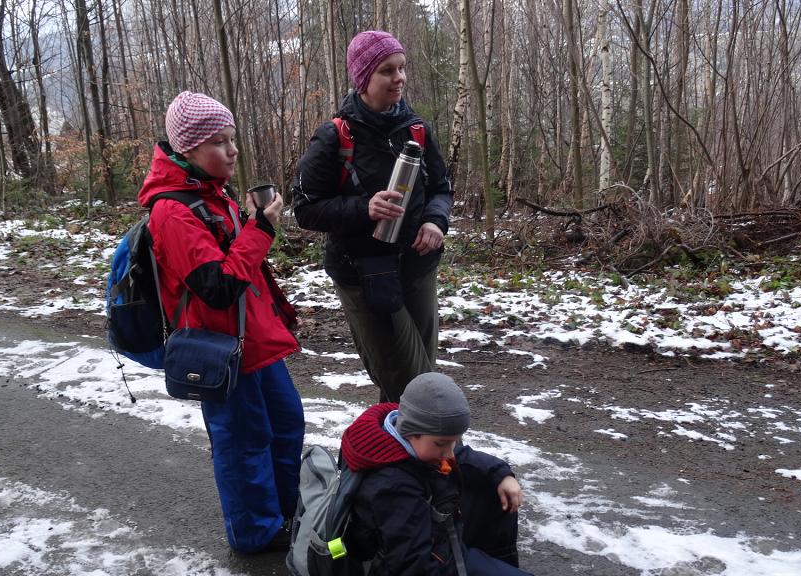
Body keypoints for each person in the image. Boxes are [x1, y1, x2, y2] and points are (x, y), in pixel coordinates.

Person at [137, 91, 303, 554]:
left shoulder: (211, 193)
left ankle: (288, 511)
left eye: (232, 140)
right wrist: (262, 229)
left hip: (254, 339)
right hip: (220, 350)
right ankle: (256, 533)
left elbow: (237, 264)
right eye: (219, 142)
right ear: (187, 149)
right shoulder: (171, 211)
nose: (232, 151)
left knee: (287, 422)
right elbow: (217, 285)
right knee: (244, 442)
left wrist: (250, 222)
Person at [293, 30, 454, 403]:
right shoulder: (334, 136)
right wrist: (364, 208)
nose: (399, 78)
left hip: (417, 266)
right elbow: (305, 207)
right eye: (387, 70)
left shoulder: (416, 128)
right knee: (412, 385)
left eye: (402, 68)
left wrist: (435, 221)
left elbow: (442, 188)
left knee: (414, 378)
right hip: (363, 272)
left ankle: (391, 455)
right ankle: (414, 454)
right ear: (363, 78)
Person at [339, 372, 532, 575]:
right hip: (426, 559)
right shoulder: (392, 487)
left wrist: (500, 474)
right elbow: (413, 566)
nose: (449, 452)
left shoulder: (405, 440)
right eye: (442, 444)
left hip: (438, 536)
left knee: (488, 485)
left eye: (453, 441)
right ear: (411, 432)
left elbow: (460, 454)